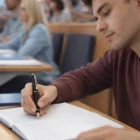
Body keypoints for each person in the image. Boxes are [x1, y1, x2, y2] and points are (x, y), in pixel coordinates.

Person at [21, 0, 140, 139]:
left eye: (106, 13)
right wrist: (52, 90)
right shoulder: (120, 55)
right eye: (97, 18)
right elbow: (85, 78)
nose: (99, 27)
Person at [0, 0, 60, 93]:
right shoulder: (28, 29)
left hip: (45, 79)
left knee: (3, 84)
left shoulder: (39, 30)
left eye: (23, 9)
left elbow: (23, 55)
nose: (19, 11)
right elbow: (10, 46)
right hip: (31, 75)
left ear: (31, 12)